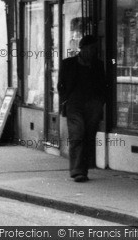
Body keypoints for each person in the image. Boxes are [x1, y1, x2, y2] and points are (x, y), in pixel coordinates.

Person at [57, 35, 106, 182]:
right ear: (83, 48)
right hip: (74, 104)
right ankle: (77, 170)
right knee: (77, 133)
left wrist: (100, 102)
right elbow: (61, 85)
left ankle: (83, 170)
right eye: (91, 48)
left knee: (89, 136)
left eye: (95, 49)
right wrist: (65, 100)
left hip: (93, 105)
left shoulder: (98, 65)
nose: (94, 51)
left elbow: (103, 84)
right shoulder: (68, 64)